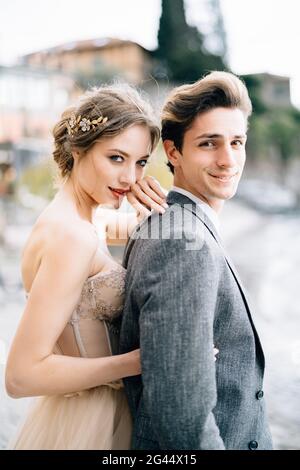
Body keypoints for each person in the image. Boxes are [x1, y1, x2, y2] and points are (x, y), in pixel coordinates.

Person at [5, 83, 168, 450]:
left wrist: (157, 209)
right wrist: (135, 362)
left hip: (74, 414)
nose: (130, 179)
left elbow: (155, 233)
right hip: (92, 424)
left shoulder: (77, 219)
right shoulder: (73, 237)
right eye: (116, 158)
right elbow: (20, 376)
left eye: (140, 162)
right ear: (78, 149)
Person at [119, 71, 273, 450]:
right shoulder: (183, 240)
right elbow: (180, 415)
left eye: (237, 142)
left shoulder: (175, 224)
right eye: (209, 143)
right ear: (173, 152)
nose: (228, 159)